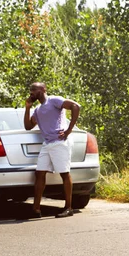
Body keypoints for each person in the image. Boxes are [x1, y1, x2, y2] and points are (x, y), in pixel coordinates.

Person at [22, 82, 81, 219]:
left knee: (64, 174)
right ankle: (36, 209)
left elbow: (75, 106)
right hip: (47, 144)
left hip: (59, 142)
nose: (31, 92)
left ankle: (68, 208)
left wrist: (68, 130)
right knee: (39, 174)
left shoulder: (54, 100)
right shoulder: (37, 110)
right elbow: (28, 126)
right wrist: (27, 108)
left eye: (34, 90)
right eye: (30, 90)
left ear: (43, 90)